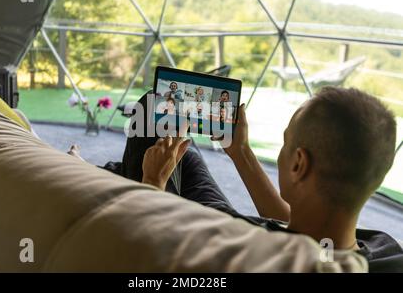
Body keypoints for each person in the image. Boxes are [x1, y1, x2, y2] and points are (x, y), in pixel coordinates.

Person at [97, 87, 403, 272]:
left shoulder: (243, 260)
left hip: (230, 232)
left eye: (286, 143)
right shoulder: (387, 253)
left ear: (298, 164)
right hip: (260, 227)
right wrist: (241, 152)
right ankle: (117, 171)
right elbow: (307, 232)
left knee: (153, 119)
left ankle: (116, 175)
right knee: (182, 151)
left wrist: (152, 183)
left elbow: (141, 264)